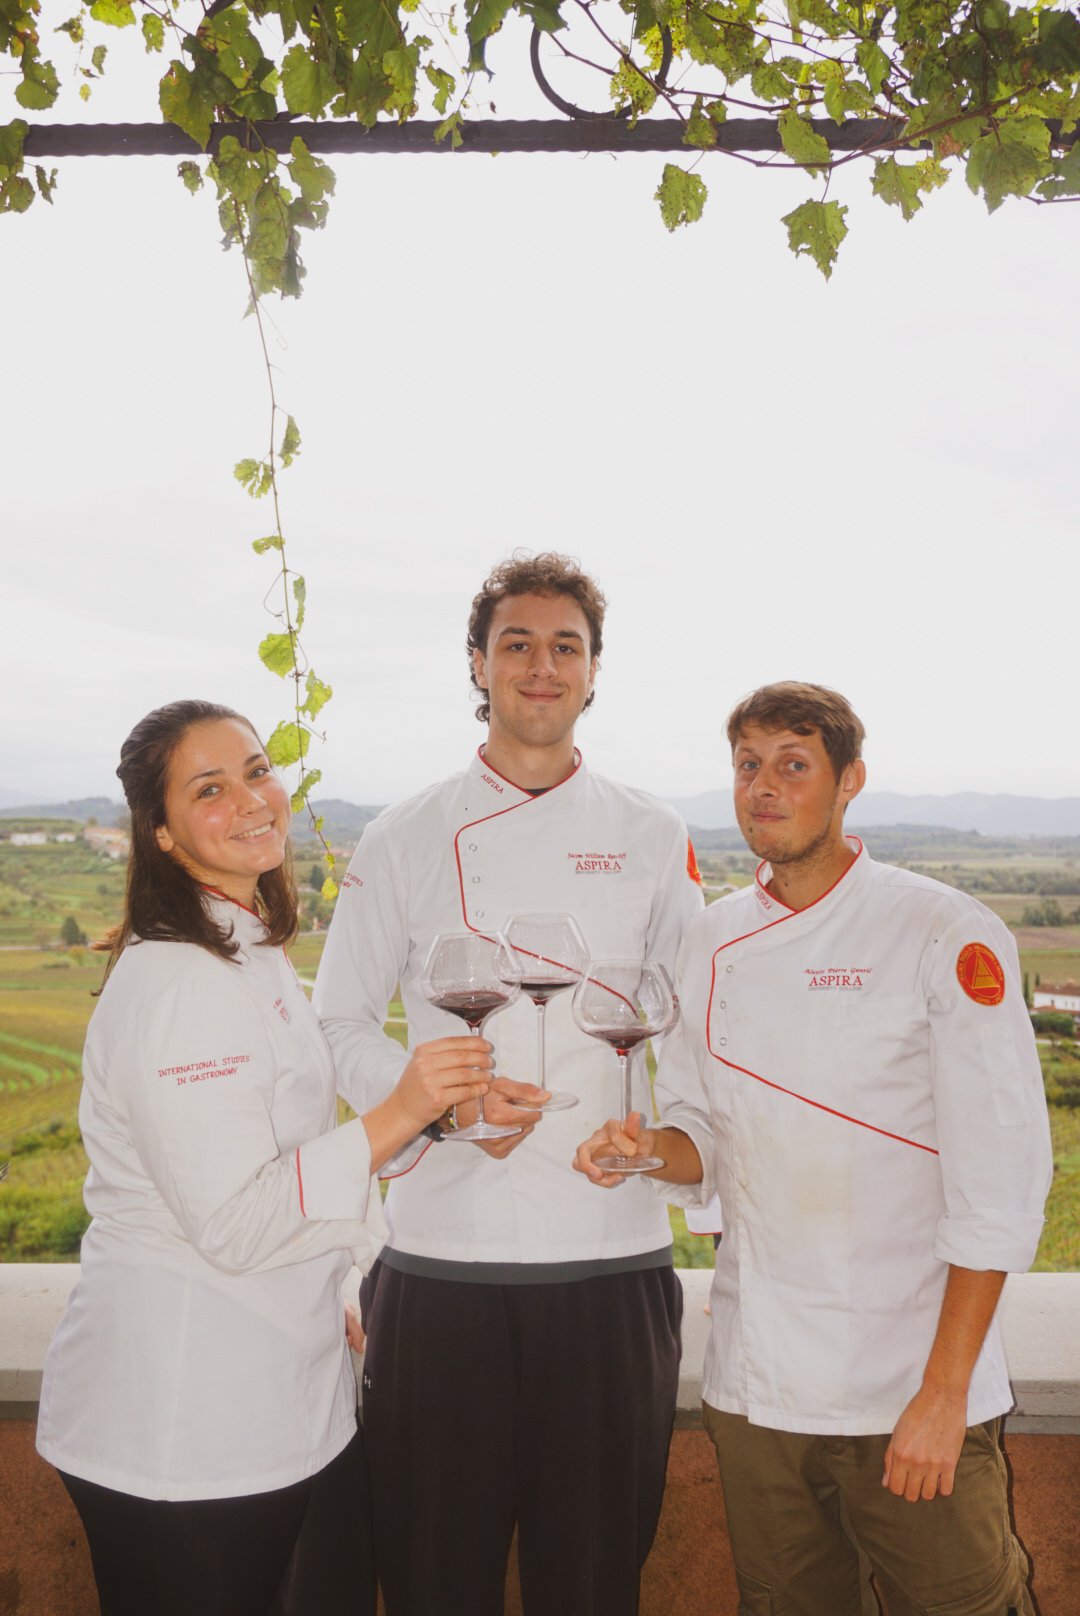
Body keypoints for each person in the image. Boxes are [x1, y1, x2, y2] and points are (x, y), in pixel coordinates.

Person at [574, 681, 1052, 1616]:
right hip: (760, 1391)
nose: (763, 786)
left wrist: (945, 1394)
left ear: (849, 781)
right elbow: (706, 1137)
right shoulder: (710, 941)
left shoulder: (941, 929)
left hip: (910, 1384)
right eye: (747, 765)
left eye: (793, 765)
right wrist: (649, 1151)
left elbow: (1000, 1187)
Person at [36, 700, 493, 1616]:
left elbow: (290, 1153)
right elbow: (236, 1222)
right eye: (209, 789)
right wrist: (401, 1109)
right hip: (185, 1425)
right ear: (161, 832)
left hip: (288, 1396)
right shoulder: (178, 982)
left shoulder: (248, 946)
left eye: (256, 770)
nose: (252, 799)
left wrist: (362, 1243)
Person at [313, 552, 705, 1616]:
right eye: (516, 643)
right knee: (434, 1582)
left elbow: (693, 1033)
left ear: (594, 671)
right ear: (478, 666)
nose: (542, 665)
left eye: (565, 645)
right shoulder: (403, 833)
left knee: (594, 1584)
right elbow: (337, 1024)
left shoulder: (653, 833)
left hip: (610, 1259)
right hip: (441, 1264)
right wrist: (435, 1111)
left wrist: (672, 1151)